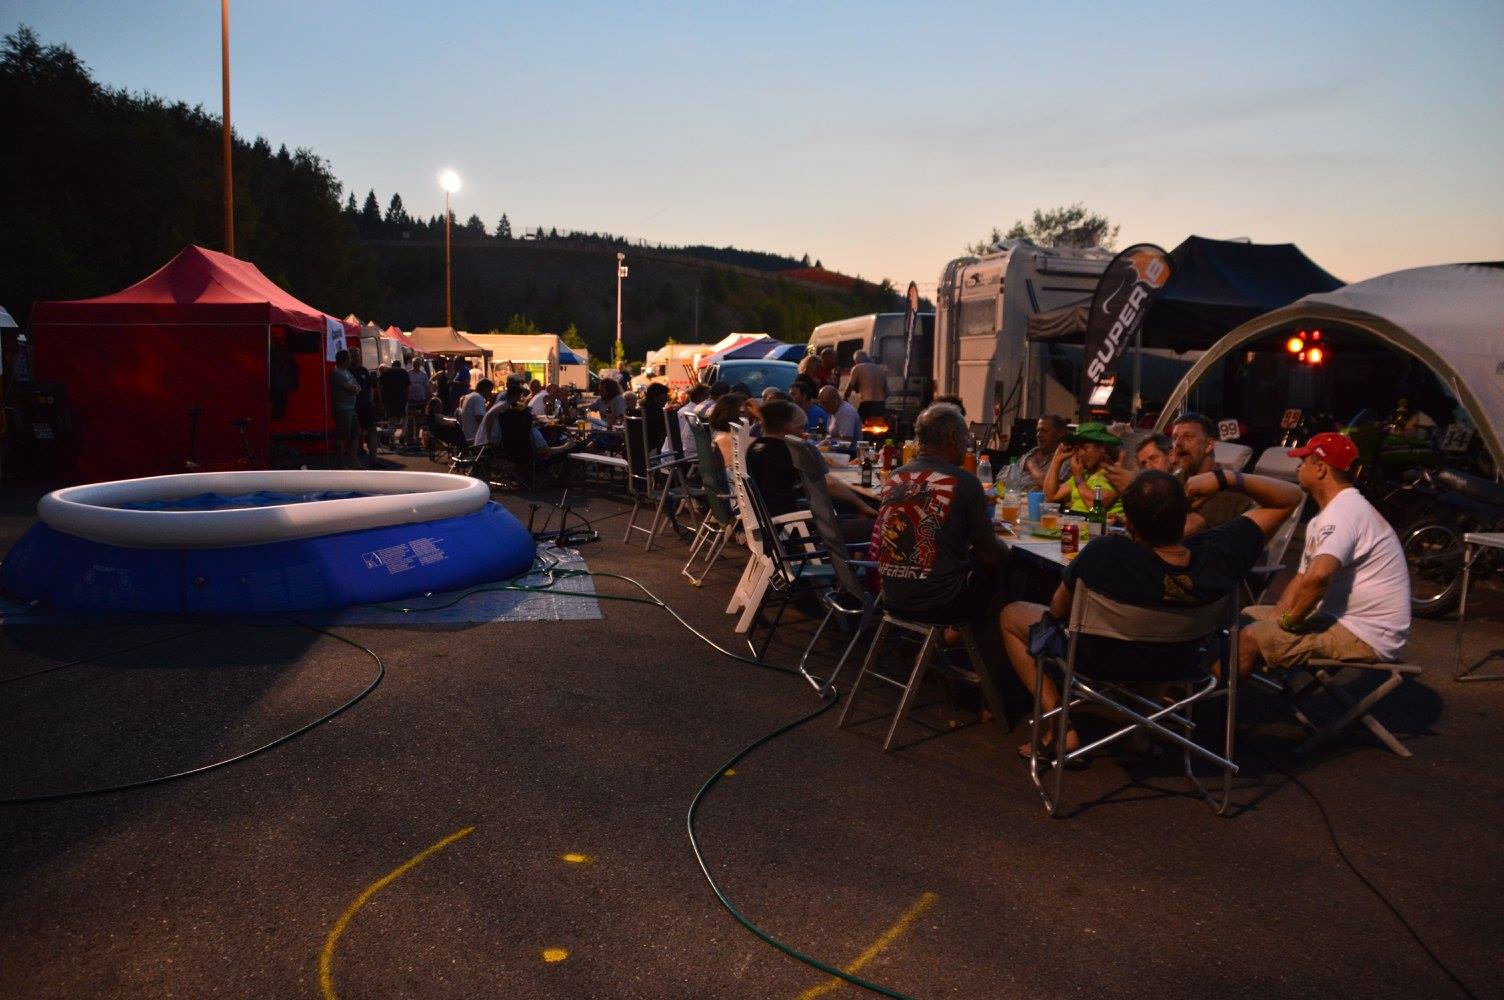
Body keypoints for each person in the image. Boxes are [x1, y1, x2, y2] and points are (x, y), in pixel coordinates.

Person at [1001, 467, 1304, 760]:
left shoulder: (1104, 553)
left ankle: (1059, 724)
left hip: (1097, 660)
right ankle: (1138, 734)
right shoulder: (1221, 553)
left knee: (1011, 615)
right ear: (1185, 518)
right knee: (1165, 635)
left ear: (1130, 524)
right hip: (1179, 662)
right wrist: (1224, 478)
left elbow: (1058, 610)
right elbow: (1290, 496)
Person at [875, 403, 1020, 721]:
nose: (968, 445)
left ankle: (926, 647)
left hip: (891, 595)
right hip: (937, 601)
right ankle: (993, 696)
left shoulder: (896, 476)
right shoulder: (965, 483)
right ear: (953, 438)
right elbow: (990, 552)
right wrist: (1009, 549)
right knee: (1006, 587)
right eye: (966, 438)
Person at [1237, 432, 1410, 678]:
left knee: (1248, 637)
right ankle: (1221, 684)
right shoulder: (1328, 515)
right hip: (1341, 619)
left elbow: (1318, 577)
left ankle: (1216, 700)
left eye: (1304, 461)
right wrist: (1277, 617)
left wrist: (1289, 622)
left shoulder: (1343, 512)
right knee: (1246, 617)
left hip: (1367, 634)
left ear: (1320, 469)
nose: (1298, 467)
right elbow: (1302, 579)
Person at [746, 400, 877, 542]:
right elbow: (828, 484)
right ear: (788, 426)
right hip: (792, 527)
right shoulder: (789, 451)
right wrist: (865, 507)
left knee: (846, 510)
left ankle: (854, 554)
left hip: (769, 523)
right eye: (800, 428)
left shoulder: (754, 447)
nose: (802, 433)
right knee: (876, 527)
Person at [1170, 412, 1253, 534]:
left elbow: (1184, 531)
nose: (1178, 443)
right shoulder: (1178, 478)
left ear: (1209, 445)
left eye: (1188, 437)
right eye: (1174, 438)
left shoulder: (1228, 487)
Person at [1043, 421, 1123, 515]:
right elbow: (1050, 497)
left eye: (1085, 448)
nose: (1081, 453)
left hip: (1097, 523)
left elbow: (1094, 506)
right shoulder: (1084, 474)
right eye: (1078, 449)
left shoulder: (1113, 474)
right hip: (1075, 521)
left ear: (1102, 448)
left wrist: (1079, 479)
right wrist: (1057, 459)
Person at [329, 350, 360, 468]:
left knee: (356, 433)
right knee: (342, 436)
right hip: (342, 408)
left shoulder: (347, 372)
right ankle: (340, 463)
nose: (351, 360)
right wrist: (354, 388)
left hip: (351, 408)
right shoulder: (336, 374)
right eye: (350, 358)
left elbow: (357, 387)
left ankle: (354, 461)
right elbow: (350, 388)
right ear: (345, 360)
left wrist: (354, 388)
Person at [1021, 414, 1069, 489]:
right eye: (1038, 431)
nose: (1038, 435)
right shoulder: (1032, 453)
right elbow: (1004, 475)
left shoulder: (1066, 458)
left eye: (1044, 431)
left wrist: (1031, 465)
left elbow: (1053, 487)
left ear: (1060, 434)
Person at [842, 350, 889, 422]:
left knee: (857, 423)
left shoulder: (857, 368)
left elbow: (850, 386)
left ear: (857, 360)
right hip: (881, 405)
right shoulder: (880, 369)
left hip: (867, 405)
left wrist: (845, 398)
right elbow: (887, 393)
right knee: (880, 425)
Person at [706, 392, 746, 470]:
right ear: (733, 414)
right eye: (742, 412)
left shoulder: (720, 435)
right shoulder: (732, 439)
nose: (746, 413)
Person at [379, 359, 411, 440]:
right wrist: (407, 398)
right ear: (399, 365)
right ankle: (403, 434)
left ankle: (392, 439)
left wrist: (382, 400)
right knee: (404, 417)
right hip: (402, 399)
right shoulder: (403, 372)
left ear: (392, 365)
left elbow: (380, 387)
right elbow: (408, 387)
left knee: (392, 420)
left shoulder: (385, 373)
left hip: (389, 400)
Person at [458, 378, 494, 443]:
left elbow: (478, 413)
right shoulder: (478, 398)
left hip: (467, 435)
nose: (490, 393)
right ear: (485, 388)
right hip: (475, 437)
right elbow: (479, 418)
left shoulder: (469, 396)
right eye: (490, 390)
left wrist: (490, 405)